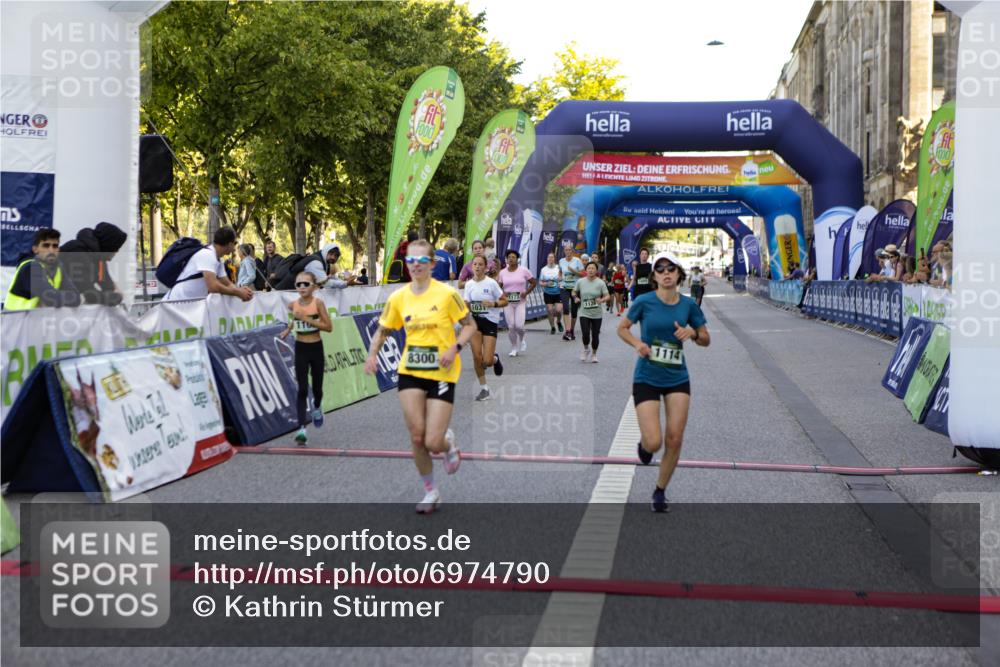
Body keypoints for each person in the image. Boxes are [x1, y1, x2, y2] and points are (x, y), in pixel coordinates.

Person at [364, 239, 476, 513]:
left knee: (432, 441)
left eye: (421, 261)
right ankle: (431, 491)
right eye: (411, 261)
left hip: (442, 371)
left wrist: (455, 347)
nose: (415, 265)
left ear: (432, 264)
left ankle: (447, 443)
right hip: (410, 371)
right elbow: (383, 329)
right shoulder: (398, 297)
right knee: (416, 437)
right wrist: (372, 354)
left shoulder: (447, 295)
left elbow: (469, 326)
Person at [617, 251, 710, 513]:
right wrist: (638, 344)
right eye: (660, 269)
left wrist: (692, 333)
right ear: (654, 276)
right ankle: (645, 446)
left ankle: (660, 490)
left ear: (679, 274)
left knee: (675, 439)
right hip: (646, 376)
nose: (666, 273)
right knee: (654, 442)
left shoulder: (689, 305)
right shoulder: (644, 301)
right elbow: (622, 328)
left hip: (677, 378)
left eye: (671, 268)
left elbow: (706, 339)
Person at [279, 271, 333, 444]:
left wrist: (308, 320)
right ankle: (301, 428)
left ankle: (317, 407)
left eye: (305, 284)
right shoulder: (293, 305)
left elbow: (328, 327)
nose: (301, 287)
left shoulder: (318, 303)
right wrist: (288, 330)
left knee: (317, 389)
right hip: (301, 348)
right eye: (298, 284)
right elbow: (294, 319)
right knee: (302, 389)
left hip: (316, 348)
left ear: (314, 287)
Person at [162, 227, 252, 302]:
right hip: (175, 304)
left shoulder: (218, 259)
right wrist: (238, 293)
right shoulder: (207, 255)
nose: (234, 249)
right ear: (229, 244)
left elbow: (227, 283)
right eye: (234, 244)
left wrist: (240, 290)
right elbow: (213, 286)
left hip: (189, 306)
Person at [462, 255, 506, 401]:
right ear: (472, 266)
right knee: (476, 357)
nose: (478, 267)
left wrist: (494, 304)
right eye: (475, 264)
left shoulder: (492, 283)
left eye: (481, 264)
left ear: (485, 267)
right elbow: (467, 305)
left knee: (486, 360)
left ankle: (494, 359)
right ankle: (484, 389)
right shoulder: (468, 285)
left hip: (490, 321)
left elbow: (504, 301)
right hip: (474, 323)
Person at [4, 228, 82, 310]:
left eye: (55, 246)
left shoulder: (58, 268)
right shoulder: (30, 267)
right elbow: (50, 298)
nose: (51, 250)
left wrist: (57, 298)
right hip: (15, 321)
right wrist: (60, 298)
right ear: (35, 249)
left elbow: (76, 297)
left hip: (36, 320)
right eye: (46, 245)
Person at [59, 222, 127, 305]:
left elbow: (107, 285)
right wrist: (116, 297)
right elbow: (89, 294)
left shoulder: (99, 259)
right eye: (116, 248)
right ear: (108, 245)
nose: (117, 252)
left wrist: (114, 293)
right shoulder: (77, 253)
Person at [497, 249, 536, 357]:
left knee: (519, 326)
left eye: (513, 257)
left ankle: (522, 338)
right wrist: (503, 294)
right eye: (509, 257)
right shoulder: (502, 272)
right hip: (508, 302)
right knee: (511, 326)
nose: (511, 259)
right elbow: (498, 287)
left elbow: (533, 282)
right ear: (507, 259)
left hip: (520, 302)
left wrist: (526, 292)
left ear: (517, 259)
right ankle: (514, 347)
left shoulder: (524, 270)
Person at [573, 261, 611, 363]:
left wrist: (602, 300)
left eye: (593, 268)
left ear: (596, 270)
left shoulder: (600, 282)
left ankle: (594, 353)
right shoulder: (580, 282)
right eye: (589, 268)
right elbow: (574, 291)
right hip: (584, 312)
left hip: (597, 313)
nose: (591, 270)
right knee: (585, 333)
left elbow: (607, 296)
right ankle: (586, 349)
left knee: (595, 335)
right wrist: (575, 297)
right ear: (586, 270)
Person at [558, 244, 584, 341]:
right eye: (566, 250)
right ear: (564, 251)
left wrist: (574, 271)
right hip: (564, 287)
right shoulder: (561, 261)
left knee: (574, 311)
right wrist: (560, 276)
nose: (568, 252)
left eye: (569, 250)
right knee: (565, 308)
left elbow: (583, 274)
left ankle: (572, 330)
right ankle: (567, 330)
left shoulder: (577, 261)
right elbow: (560, 271)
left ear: (572, 251)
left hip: (575, 288)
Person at [538, 252, 564, 334]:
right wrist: (546, 284)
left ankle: (559, 321)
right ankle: (552, 327)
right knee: (549, 310)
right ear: (547, 259)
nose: (550, 259)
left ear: (554, 259)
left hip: (558, 292)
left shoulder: (558, 268)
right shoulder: (543, 269)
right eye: (549, 257)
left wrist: (560, 279)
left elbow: (562, 278)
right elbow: (540, 282)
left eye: (552, 257)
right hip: (548, 293)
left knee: (559, 310)